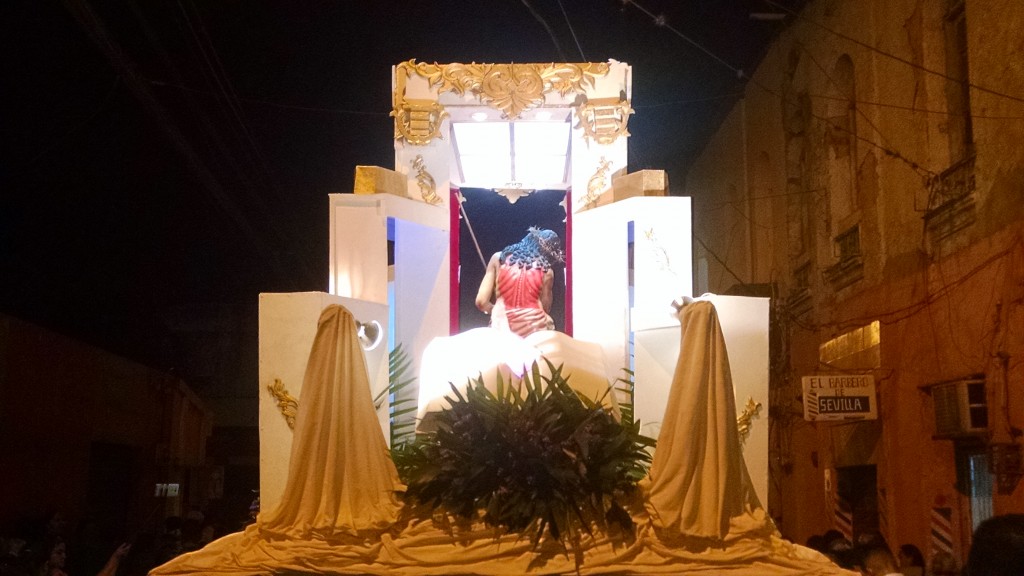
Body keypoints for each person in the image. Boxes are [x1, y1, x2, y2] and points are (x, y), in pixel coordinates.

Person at [475, 227, 563, 338]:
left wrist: (497, 311)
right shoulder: (547, 271)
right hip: (535, 331)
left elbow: (481, 302)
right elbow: (546, 309)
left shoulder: (497, 258)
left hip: (502, 327)